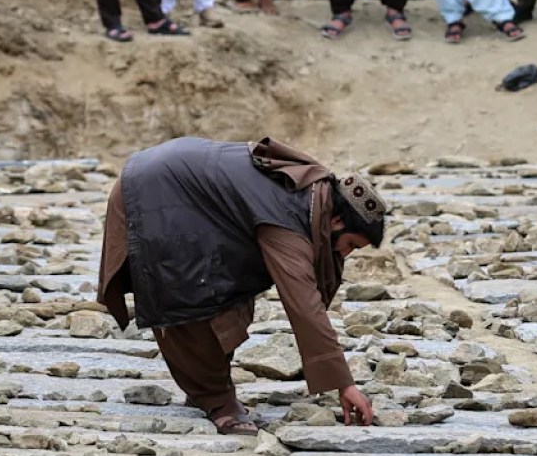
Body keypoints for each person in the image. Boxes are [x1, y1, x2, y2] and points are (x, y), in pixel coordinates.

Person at [97, 136, 382, 434]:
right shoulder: (287, 215)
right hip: (156, 193)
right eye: (350, 245)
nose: (344, 254)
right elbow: (303, 303)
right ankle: (216, 400)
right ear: (336, 221)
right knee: (189, 293)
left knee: (232, 286)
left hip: (176, 186)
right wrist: (344, 384)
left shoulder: (311, 195)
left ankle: (205, 386)